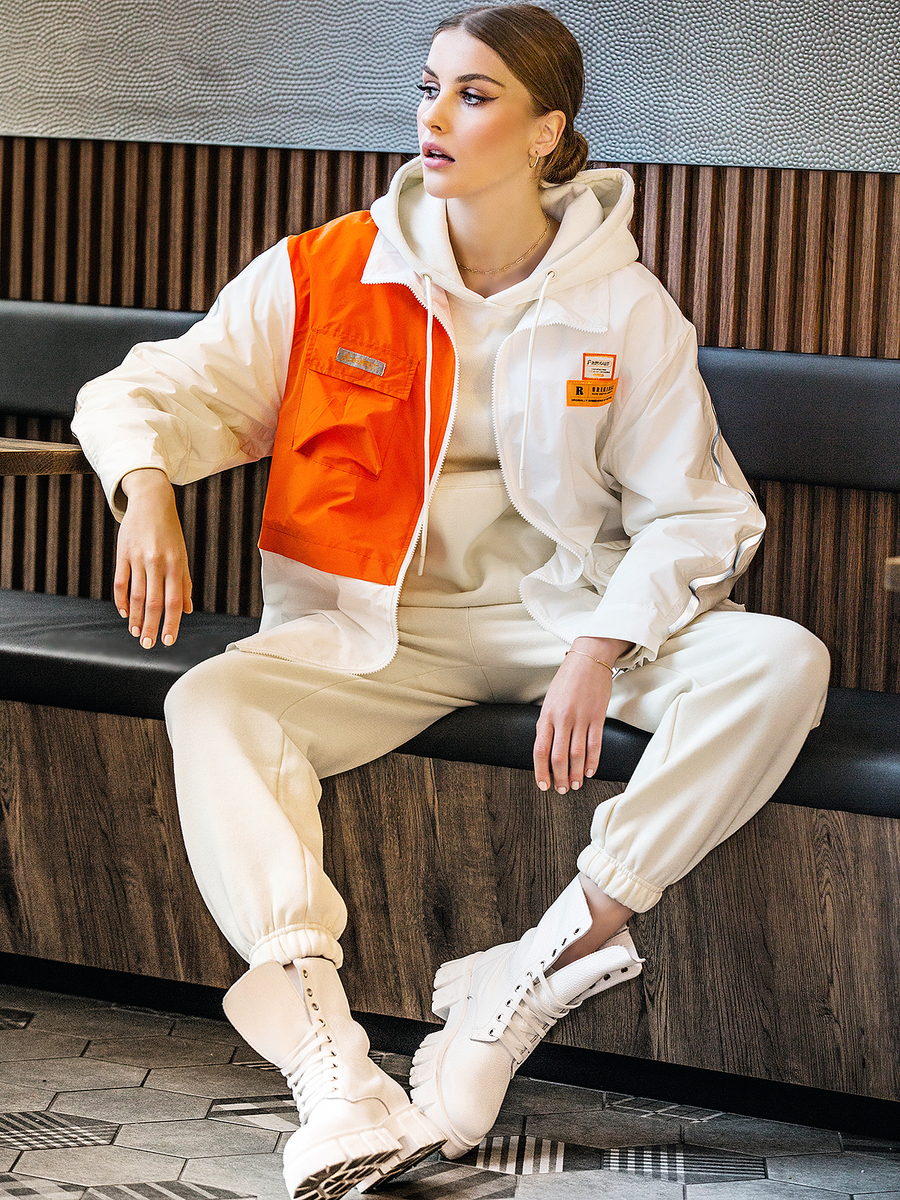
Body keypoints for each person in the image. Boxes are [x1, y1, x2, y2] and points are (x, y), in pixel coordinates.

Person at [72, 6, 831, 1199]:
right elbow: (150, 390)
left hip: (565, 622)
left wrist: (600, 644)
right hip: (378, 633)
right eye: (429, 88)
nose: (434, 117)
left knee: (781, 662)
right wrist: (146, 490)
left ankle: (539, 963)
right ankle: (330, 1067)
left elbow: (696, 512)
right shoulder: (326, 269)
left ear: (546, 133)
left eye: (474, 96)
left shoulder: (623, 307)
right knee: (214, 703)